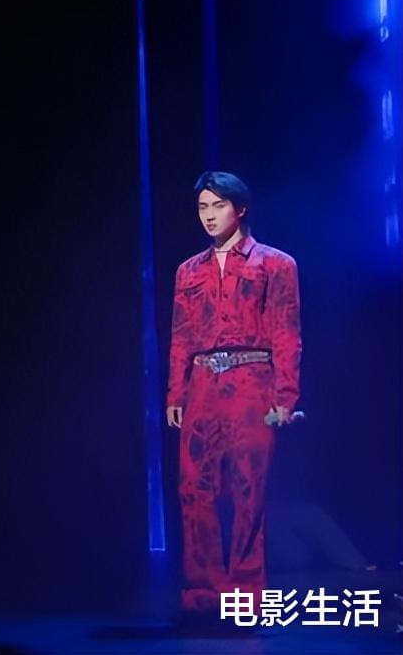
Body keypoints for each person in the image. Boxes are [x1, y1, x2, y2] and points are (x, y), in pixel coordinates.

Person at [166, 171, 301, 616]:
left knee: (248, 491)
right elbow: (181, 336)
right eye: (202, 207)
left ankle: (245, 595)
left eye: (218, 206)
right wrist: (176, 393)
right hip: (203, 384)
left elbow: (286, 332)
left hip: (251, 383)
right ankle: (203, 594)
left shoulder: (275, 264)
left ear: (239, 209)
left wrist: (285, 395)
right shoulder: (188, 271)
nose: (208, 216)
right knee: (194, 490)